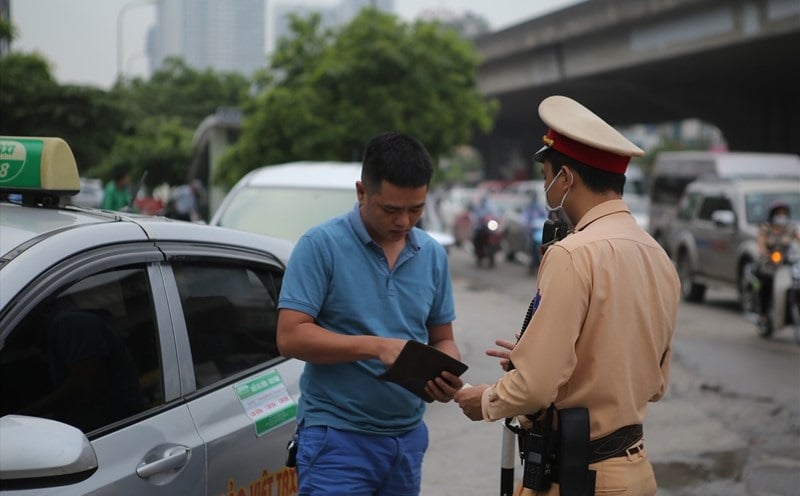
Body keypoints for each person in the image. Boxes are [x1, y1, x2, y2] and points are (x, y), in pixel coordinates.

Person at [454, 95, 680, 496]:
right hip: (634, 473)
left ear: (566, 179)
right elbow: (654, 384)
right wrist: (540, 357)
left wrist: (486, 400)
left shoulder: (572, 253)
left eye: (546, 175)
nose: (545, 186)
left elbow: (536, 388)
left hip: (579, 477)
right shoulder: (657, 255)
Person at [276, 131, 463, 495]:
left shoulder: (432, 255)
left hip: (407, 439)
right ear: (362, 192)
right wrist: (376, 347)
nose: (405, 221)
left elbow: (443, 338)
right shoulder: (321, 246)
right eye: (391, 210)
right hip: (337, 439)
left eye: (416, 209)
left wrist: (445, 371)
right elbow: (290, 336)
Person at [755, 201, 800, 329]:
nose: (781, 216)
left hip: (787, 265)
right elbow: (761, 243)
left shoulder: (790, 229)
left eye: (784, 214)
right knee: (766, 284)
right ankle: (763, 314)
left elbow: (797, 238)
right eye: (778, 214)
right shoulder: (765, 228)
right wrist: (765, 253)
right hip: (769, 265)